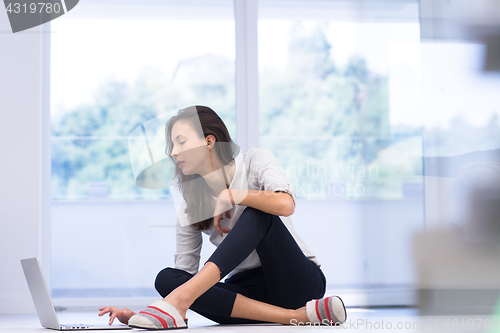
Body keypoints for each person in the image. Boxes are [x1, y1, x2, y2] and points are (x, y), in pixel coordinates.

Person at [98, 105, 347, 329]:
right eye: (172, 145)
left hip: (296, 281)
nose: (173, 152)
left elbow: (285, 204)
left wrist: (233, 195)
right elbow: (184, 274)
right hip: (247, 295)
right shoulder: (189, 203)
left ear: (209, 141)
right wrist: (138, 316)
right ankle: (294, 316)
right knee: (167, 278)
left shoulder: (255, 161)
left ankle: (293, 310)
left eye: (181, 142)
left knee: (258, 212)